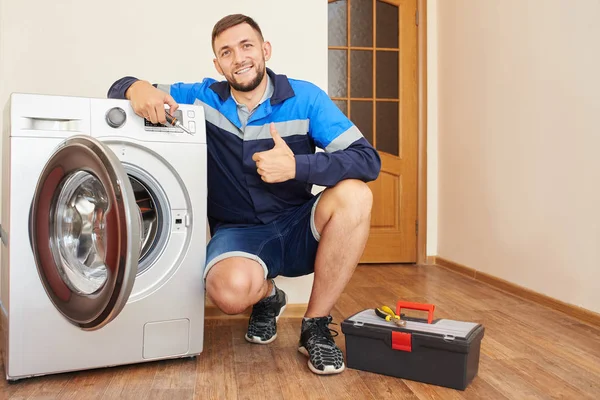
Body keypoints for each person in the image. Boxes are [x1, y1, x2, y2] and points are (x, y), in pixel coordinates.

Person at [107, 13, 381, 375]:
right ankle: (268, 297)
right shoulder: (199, 98)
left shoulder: (306, 98)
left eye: (247, 45)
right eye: (226, 52)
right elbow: (119, 91)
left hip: (299, 227)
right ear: (217, 63)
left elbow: (367, 160)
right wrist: (135, 87)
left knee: (356, 195)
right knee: (227, 293)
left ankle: (314, 326)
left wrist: (298, 167)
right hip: (239, 233)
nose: (239, 58)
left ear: (265, 49)